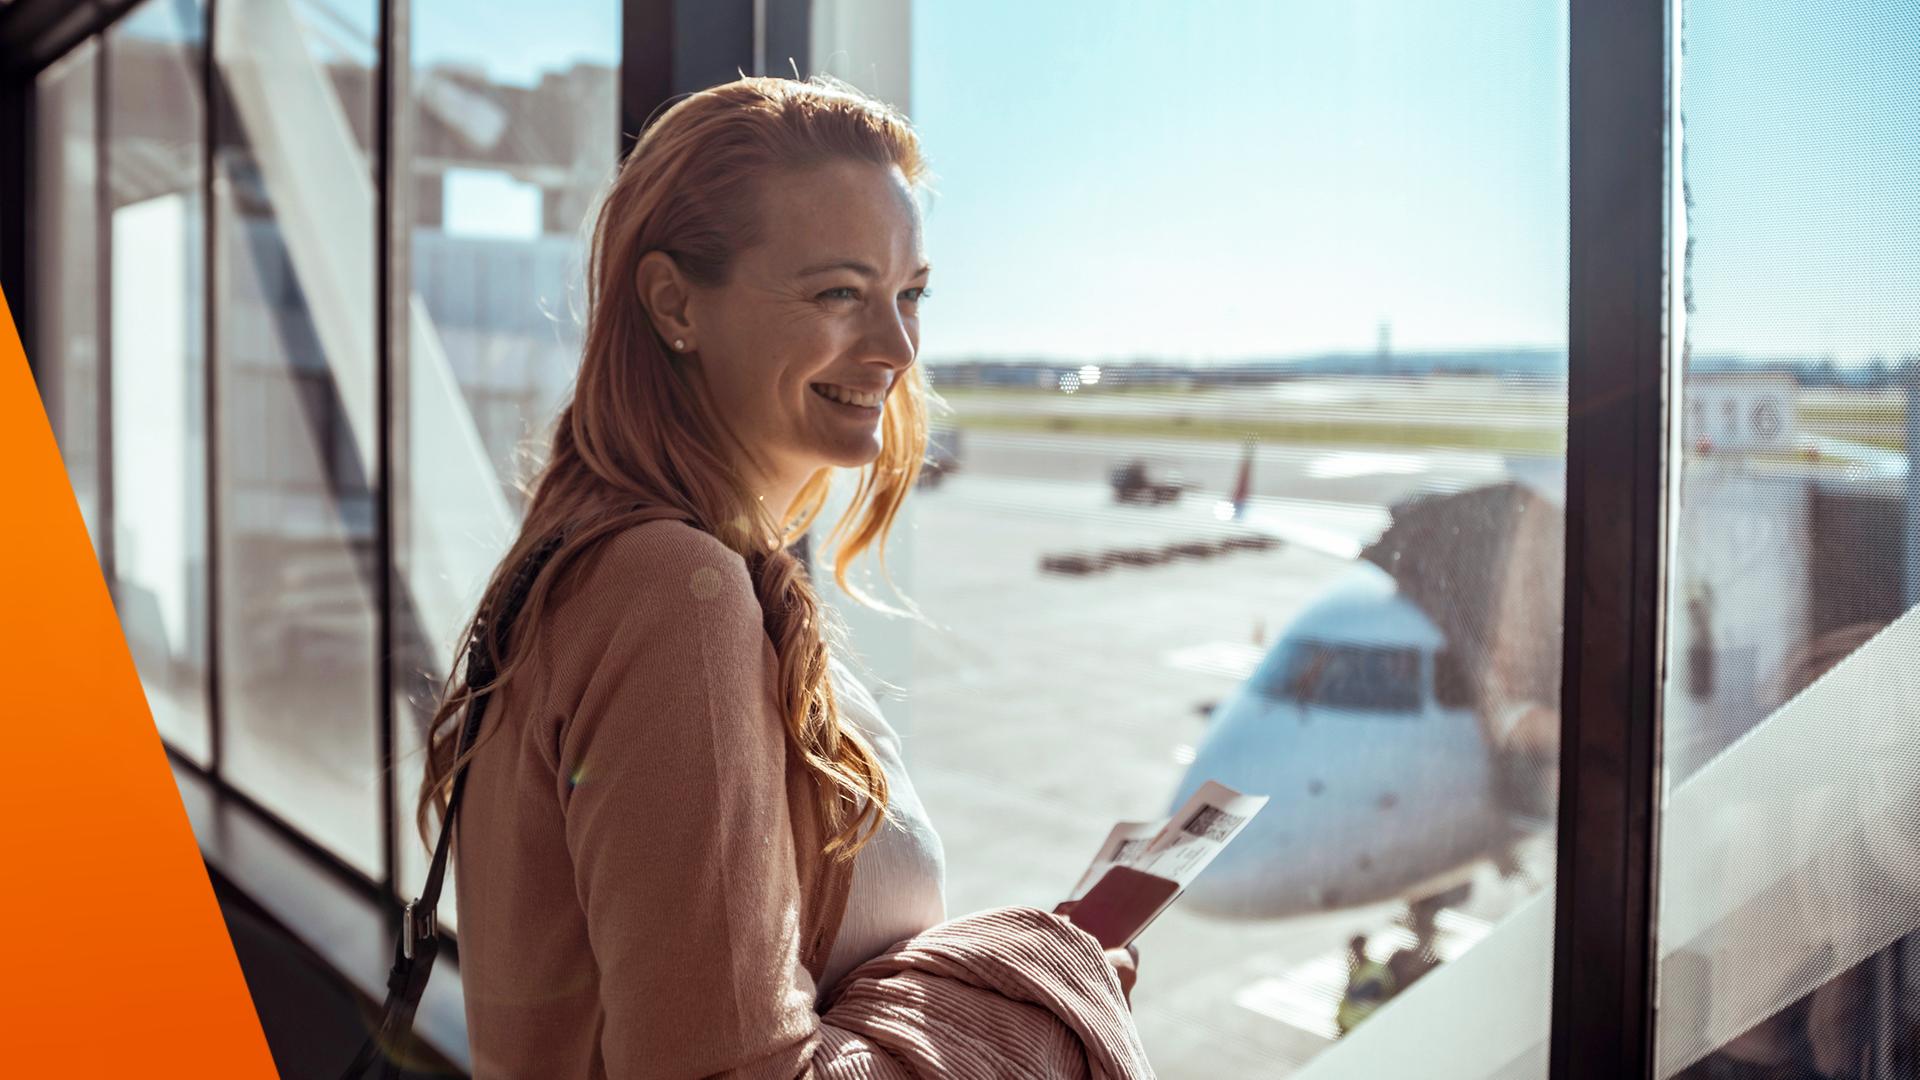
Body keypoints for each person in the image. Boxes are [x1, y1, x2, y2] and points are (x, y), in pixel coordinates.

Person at [412, 75, 1145, 1077]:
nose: (897, 349)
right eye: (838, 292)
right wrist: (1035, 997)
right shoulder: (678, 594)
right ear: (675, 304)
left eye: (910, 295)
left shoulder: (604, 558)